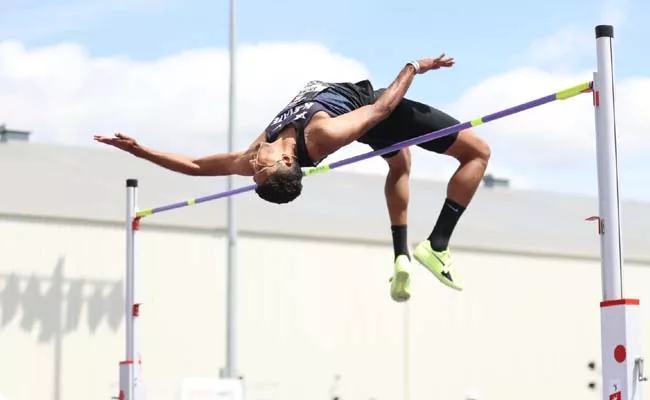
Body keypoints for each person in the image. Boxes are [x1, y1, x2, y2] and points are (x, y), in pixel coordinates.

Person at [94, 53, 490, 302]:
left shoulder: (257, 152)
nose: (252, 165)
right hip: (374, 109)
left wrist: (139, 150)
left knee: (399, 163)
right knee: (477, 153)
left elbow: (197, 167)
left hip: (365, 122)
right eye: (260, 168)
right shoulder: (322, 135)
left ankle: (401, 255)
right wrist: (414, 67)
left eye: (254, 171)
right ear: (287, 160)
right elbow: (380, 112)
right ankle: (437, 245)